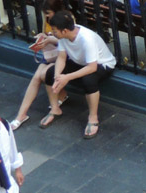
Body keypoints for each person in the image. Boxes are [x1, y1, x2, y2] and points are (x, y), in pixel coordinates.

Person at [40, 9, 116, 138]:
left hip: (102, 64)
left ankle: (93, 118)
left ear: (64, 30)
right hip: (80, 62)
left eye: (54, 30)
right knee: (50, 73)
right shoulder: (63, 36)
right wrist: (57, 76)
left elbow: (92, 67)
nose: (52, 33)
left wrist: (67, 77)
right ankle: (55, 109)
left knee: (89, 80)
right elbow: (61, 58)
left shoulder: (86, 39)